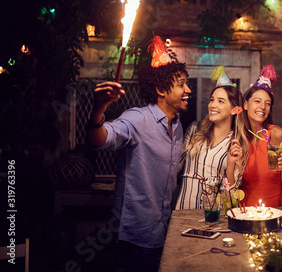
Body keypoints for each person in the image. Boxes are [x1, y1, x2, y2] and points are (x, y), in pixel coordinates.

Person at [85, 36, 190, 272]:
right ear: (161, 89)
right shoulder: (137, 119)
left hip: (166, 230)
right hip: (137, 236)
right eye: (181, 84)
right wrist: (98, 110)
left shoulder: (178, 125)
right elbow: (101, 140)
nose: (188, 90)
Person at [175, 66, 248, 209]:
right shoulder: (195, 129)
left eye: (221, 101)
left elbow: (232, 197)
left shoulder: (237, 144)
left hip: (213, 214)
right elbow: (176, 168)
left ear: (235, 109)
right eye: (212, 100)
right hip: (183, 209)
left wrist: (231, 164)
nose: (213, 105)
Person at [239, 64, 282, 207]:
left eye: (267, 103)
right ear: (246, 105)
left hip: (275, 209)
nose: (262, 107)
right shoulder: (241, 137)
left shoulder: (275, 134)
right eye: (257, 101)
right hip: (246, 212)